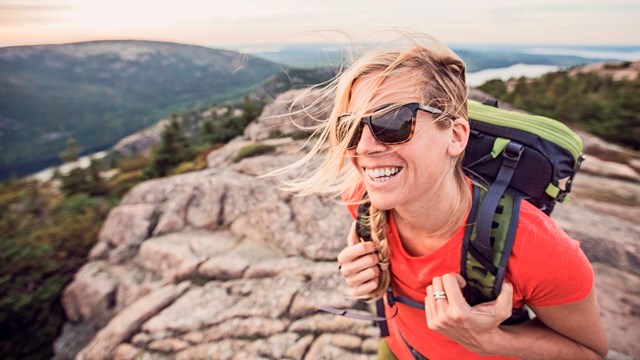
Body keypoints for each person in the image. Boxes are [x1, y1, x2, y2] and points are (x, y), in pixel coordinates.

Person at [280, 33, 608, 359]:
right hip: (396, 350)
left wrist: (492, 343)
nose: (364, 147)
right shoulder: (362, 197)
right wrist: (364, 275)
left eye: (394, 121)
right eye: (350, 129)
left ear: (454, 135)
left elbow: (591, 352)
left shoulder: (540, 249)